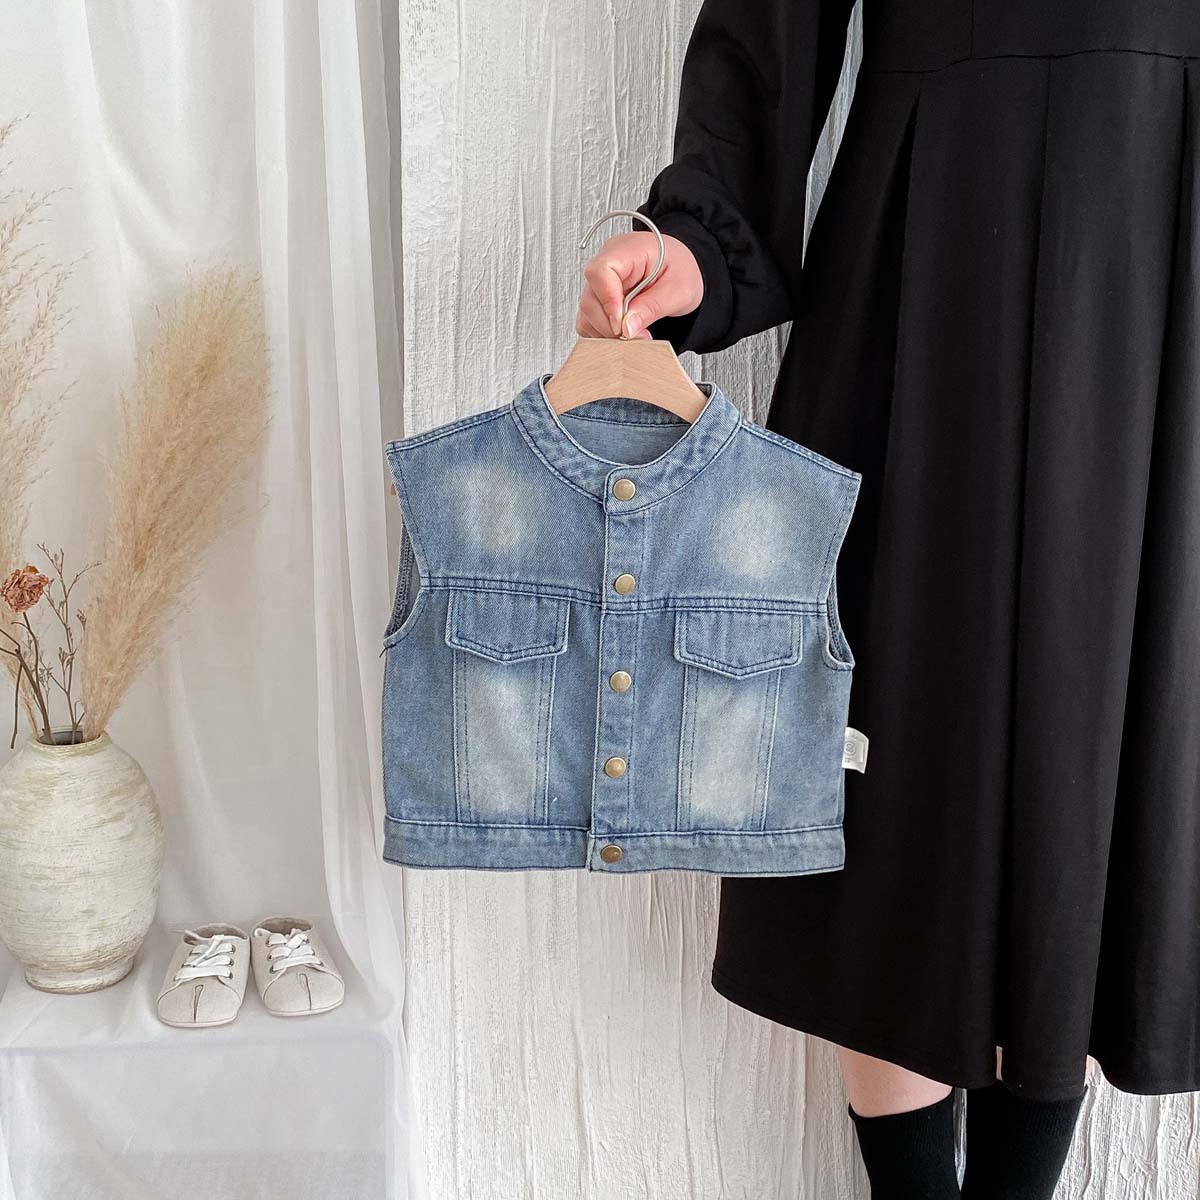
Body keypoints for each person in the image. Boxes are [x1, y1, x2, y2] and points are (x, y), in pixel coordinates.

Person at [572, 1, 1200, 1196]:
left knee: (1100, 756)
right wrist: (695, 244)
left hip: (1169, 237)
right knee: (901, 771)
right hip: (929, 251)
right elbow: (765, 41)